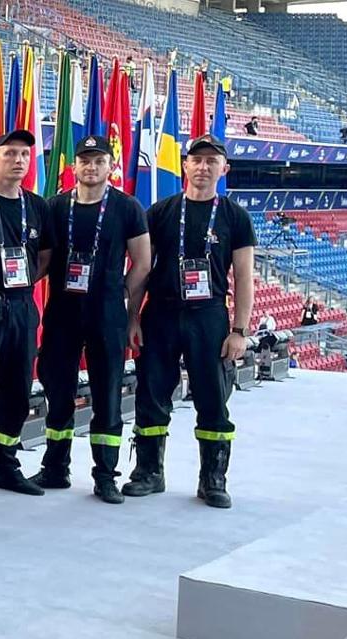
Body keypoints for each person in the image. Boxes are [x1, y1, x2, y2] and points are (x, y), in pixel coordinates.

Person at [126, 134, 254, 508]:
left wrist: (239, 330)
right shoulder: (161, 212)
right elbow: (142, 269)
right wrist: (133, 318)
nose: (203, 167)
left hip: (209, 316)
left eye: (211, 161)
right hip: (161, 312)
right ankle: (149, 471)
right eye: (196, 160)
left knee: (213, 399)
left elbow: (244, 277)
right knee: (151, 394)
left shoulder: (235, 217)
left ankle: (212, 479)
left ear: (224, 169)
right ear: (184, 165)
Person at [34, 134, 151, 503]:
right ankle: (55, 467)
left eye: (99, 161)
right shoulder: (54, 206)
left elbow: (143, 262)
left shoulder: (127, 207)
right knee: (58, 390)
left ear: (110, 166)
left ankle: (105, 475)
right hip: (63, 312)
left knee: (106, 393)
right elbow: (44, 260)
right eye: (85, 160)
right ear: (74, 167)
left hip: (107, 315)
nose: (91, 167)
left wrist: (119, 292)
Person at [0, 128, 54, 496]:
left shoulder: (37, 205)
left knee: (17, 389)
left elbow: (46, 257)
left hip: (22, 306)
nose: (18, 160)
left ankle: (5, 464)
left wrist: (20, 284)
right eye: (9, 153)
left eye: (24, 155)